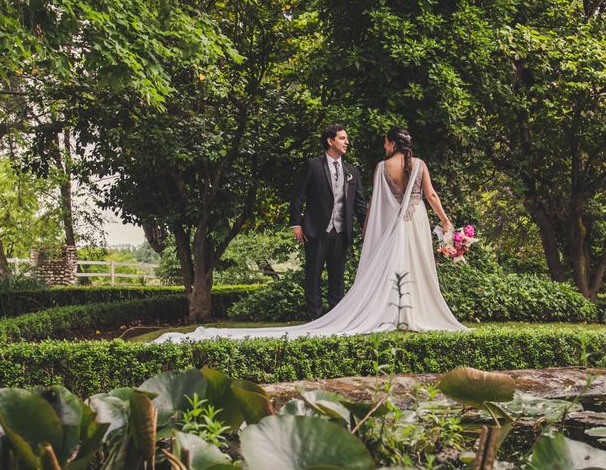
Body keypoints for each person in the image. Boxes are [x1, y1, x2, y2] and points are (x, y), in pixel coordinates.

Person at [153, 128, 468, 343]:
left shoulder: (381, 167)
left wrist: (370, 228)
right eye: (342, 138)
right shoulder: (420, 165)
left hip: (393, 228)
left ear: (393, 144)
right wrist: (447, 223)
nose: (382, 145)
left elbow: (372, 204)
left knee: (390, 271)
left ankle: (393, 313)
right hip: (413, 225)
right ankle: (410, 313)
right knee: (413, 268)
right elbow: (432, 196)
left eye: (386, 142)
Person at [289, 125, 368, 319]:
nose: (346, 142)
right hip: (315, 230)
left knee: (337, 278)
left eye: (346, 138)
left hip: (341, 232)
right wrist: (296, 224)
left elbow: (359, 204)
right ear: (330, 141)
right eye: (342, 138)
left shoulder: (352, 171)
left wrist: (367, 228)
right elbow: (298, 196)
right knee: (313, 276)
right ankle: (315, 318)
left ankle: (336, 319)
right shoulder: (312, 165)